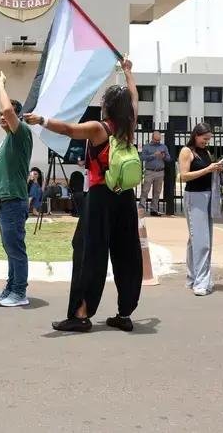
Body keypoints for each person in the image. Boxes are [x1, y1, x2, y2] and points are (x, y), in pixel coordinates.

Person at [25, 58, 141, 333]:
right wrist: (127, 72)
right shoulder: (129, 126)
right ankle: (125, 314)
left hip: (101, 197)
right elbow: (134, 95)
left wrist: (41, 119)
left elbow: (68, 130)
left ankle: (81, 314)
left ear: (108, 107)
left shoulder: (99, 128)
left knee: (89, 252)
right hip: (125, 197)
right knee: (126, 253)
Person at [0, 75, 33, 308]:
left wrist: (1, 85)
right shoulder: (7, 140)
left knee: (15, 247)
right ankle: (11, 287)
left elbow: (7, 109)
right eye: (0, 115)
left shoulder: (22, 132)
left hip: (14, 201)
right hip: (5, 201)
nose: (3, 116)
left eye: (7, 114)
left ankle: (19, 292)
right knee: (10, 247)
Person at [178, 123, 223, 296]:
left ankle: (192, 278)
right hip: (194, 197)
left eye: (209, 139)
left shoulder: (206, 152)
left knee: (196, 240)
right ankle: (201, 282)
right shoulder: (186, 151)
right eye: (204, 139)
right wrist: (207, 169)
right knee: (201, 241)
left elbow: (207, 172)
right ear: (196, 135)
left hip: (207, 196)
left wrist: (217, 168)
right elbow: (184, 176)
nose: (206, 142)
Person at [140, 132, 171, 216]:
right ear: (152, 138)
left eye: (159, 140)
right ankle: (141, 209)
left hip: (160, 171)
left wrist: (163, 156)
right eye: (156, 140)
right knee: (145, 190)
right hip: (149, 171)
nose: (157, 141)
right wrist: (153, 155)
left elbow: (169, 158)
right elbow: (142, 157)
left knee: (157, 192)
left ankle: (154, 210)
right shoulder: (147, 147)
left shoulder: (163, 147)